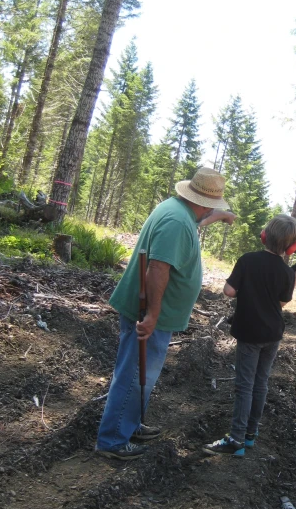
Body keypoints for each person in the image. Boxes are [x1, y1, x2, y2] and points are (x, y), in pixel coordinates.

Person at [95, 167, 235, 460]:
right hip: (150, 315)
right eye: (213, 206)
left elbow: (195, 223)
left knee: (137, 372)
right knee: (134, 374)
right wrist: (153, 316)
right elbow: (157, 269)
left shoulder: (179, 211)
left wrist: (220, 217)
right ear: (204, 202)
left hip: (155, 314)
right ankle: (113, 440)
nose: (212, 210)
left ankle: (128, 424)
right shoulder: (177, 221)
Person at [204, 214, 296, 457]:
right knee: (261, 383)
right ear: (291, 248)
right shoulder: (286, 272)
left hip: (250, 334)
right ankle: (250, 435)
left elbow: (229, 291)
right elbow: (281, 302)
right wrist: (294, 277)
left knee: (244, 386)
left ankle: (236, 440)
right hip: (273, 334)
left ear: (263, 237)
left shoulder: (247, 260)